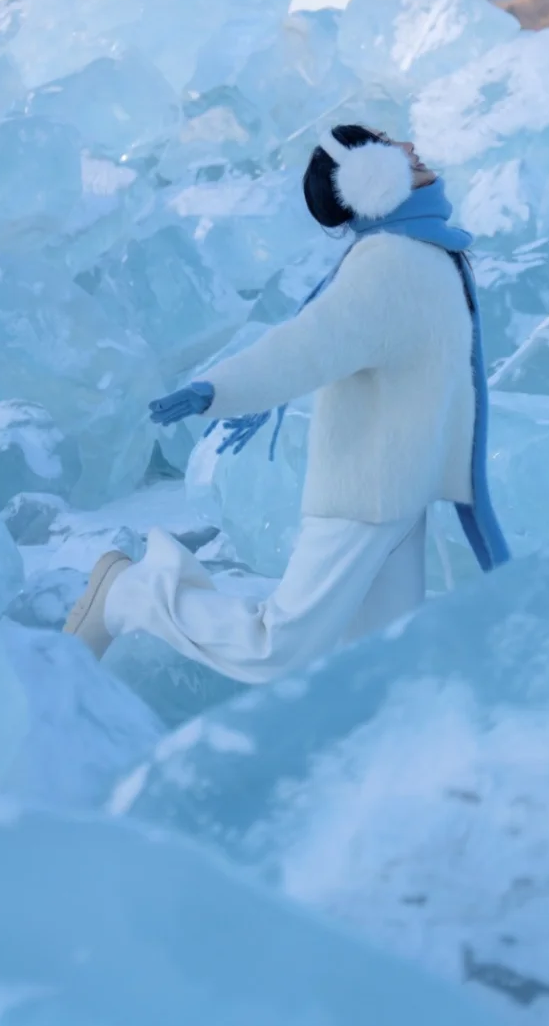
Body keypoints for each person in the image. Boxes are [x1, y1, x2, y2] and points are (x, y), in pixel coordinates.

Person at [63, 125, 509, 683]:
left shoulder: (425, 249)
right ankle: (133, 593)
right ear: (368, 177)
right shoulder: (390, 263)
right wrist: (219, 389)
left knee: (382, 665)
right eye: (387, 144)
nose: (411, 147)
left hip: (401, 496)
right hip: (364, 497)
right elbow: (305, 348)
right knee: (274, 647)